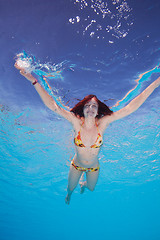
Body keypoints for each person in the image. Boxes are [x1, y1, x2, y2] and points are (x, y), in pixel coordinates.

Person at [15, 62, 160, 204]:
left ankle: (83, 184)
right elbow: (53, 107)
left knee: (91, 188)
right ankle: (70, 194)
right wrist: (33, 81)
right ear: (83, 109)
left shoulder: (102, 124)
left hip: (93, 166)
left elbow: (129, 108)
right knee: (70, 188)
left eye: (94, 106)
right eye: (87, 105)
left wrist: (155, 83)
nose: (90, 108)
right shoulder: (76, 122)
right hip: (76, 165)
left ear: (98, 111)